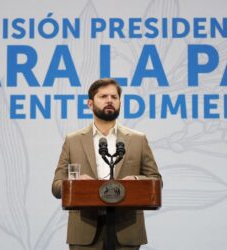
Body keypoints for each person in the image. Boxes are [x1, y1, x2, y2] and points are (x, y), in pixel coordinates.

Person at [52, 78, 161, 250]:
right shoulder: (73, 141)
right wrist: (75, 183)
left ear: (119, 102)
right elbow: (57, 186)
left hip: (127, 230)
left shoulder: (138, 140)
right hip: (84, 230)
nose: (109, 100)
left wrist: (135, 179)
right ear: (90, 103)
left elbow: (156, 180)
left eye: (114, 97)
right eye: (103, 96)